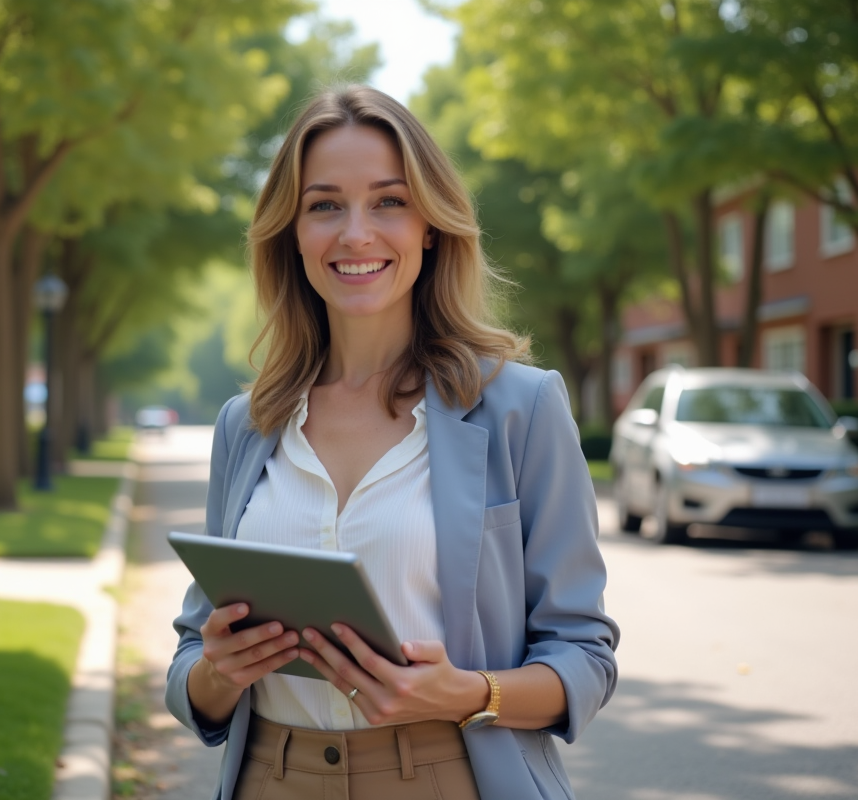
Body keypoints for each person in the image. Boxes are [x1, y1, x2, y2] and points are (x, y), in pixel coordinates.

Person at [166, 85, 619, 800]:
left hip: (450, 778)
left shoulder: (520, 408)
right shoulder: (246, 424)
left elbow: (585, 657)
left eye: (388, 201)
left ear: (430, 225)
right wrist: (218, 672)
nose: (355, 234)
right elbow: (192, 662)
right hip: (268, 781)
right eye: (324, 206)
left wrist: (468, 693)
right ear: (291, 231)